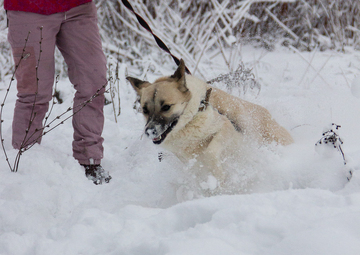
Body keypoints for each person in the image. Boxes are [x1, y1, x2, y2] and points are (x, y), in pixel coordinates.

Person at [5, 0, 111, 184]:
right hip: (27, 9)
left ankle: (90, 159)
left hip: (78, 8)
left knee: (93, 83)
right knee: (34, 92)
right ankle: (24, 165)